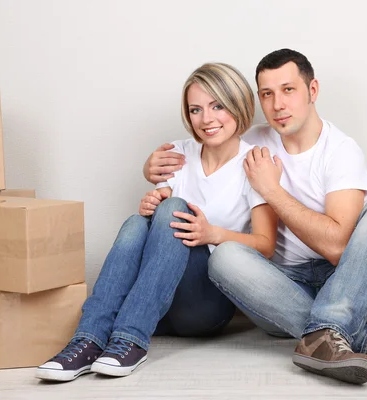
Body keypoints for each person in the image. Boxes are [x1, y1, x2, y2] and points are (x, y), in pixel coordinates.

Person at [143, 49, 367, 385]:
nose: (277, 105)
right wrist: (152, 166)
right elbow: (199, 151)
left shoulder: (341, 151)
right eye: (267, 94)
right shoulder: (252, 139)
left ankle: (331, 330)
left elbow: (336, 247)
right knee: (225, 256)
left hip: (352, 284)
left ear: (312, 91)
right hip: (281, 292)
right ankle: (353, 338)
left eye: (289, 90)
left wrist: (272, 190)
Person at [36, 62, 278, 382]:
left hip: (205, 308)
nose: (206, 119)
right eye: (195, 109)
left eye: (217, 105)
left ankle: (130, 339)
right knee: (138, 223)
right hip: (157, 308)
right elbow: (156, 230)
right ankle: (88, 340)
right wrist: (152, 206)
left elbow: (266, 245)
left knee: (174, 207)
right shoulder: (176, 153)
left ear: (238, 104)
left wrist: (211, 234)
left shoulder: (254, 163)